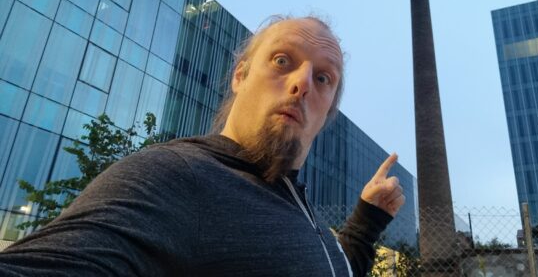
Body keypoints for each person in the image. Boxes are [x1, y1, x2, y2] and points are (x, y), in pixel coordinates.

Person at [0, 16, 405, 276]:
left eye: (323, 78)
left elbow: (336, 268)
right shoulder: (178, 176)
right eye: (282, 61)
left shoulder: (300, 208)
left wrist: (368, 219)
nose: (302, 82)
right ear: (240, 76)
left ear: (328, 110)